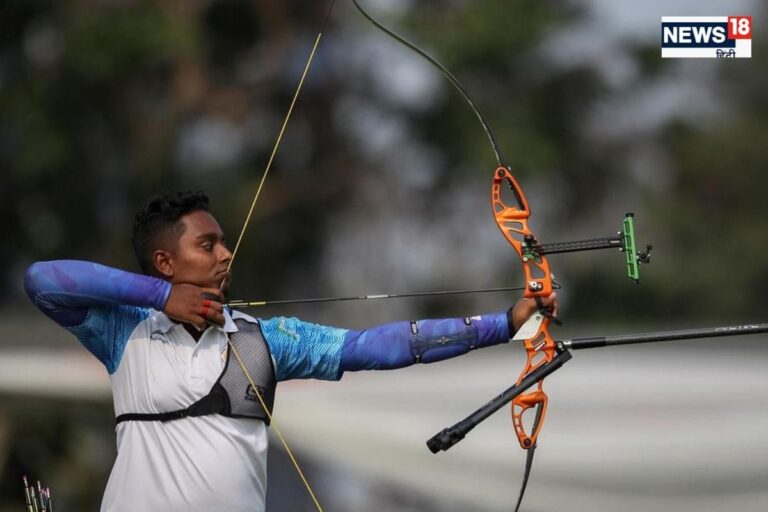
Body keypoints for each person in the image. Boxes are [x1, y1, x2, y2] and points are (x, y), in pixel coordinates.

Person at [24, 191, 558, 512]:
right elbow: (42, 279)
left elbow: (376, 346)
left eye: (224, 243)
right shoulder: (125, 333)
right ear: (164, 261)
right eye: (207, 245)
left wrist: (502, 324)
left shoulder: (264, 339)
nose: (225, 254)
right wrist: (163, 298)